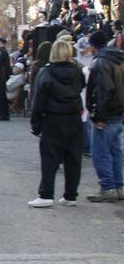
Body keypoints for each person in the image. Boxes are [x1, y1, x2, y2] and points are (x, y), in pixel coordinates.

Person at [28, 40, 85, 207]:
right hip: (74, 116)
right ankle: (70, 195)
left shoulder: (46, 72)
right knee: (73, 157)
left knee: (50, 157)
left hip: (53, 117)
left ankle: (46, 194)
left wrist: (36, 124)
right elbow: (82, 86)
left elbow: (38, 99)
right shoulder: (77, 71)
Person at [84, 30, 124, 202]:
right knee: (115, 150)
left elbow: (104, 90)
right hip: (118, 112)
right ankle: (119, 186)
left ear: (93, 46)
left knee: (100, 151)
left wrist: (98, 115)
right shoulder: (118, 59)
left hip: (107, 113)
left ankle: (107, 187)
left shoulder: (101, 62)